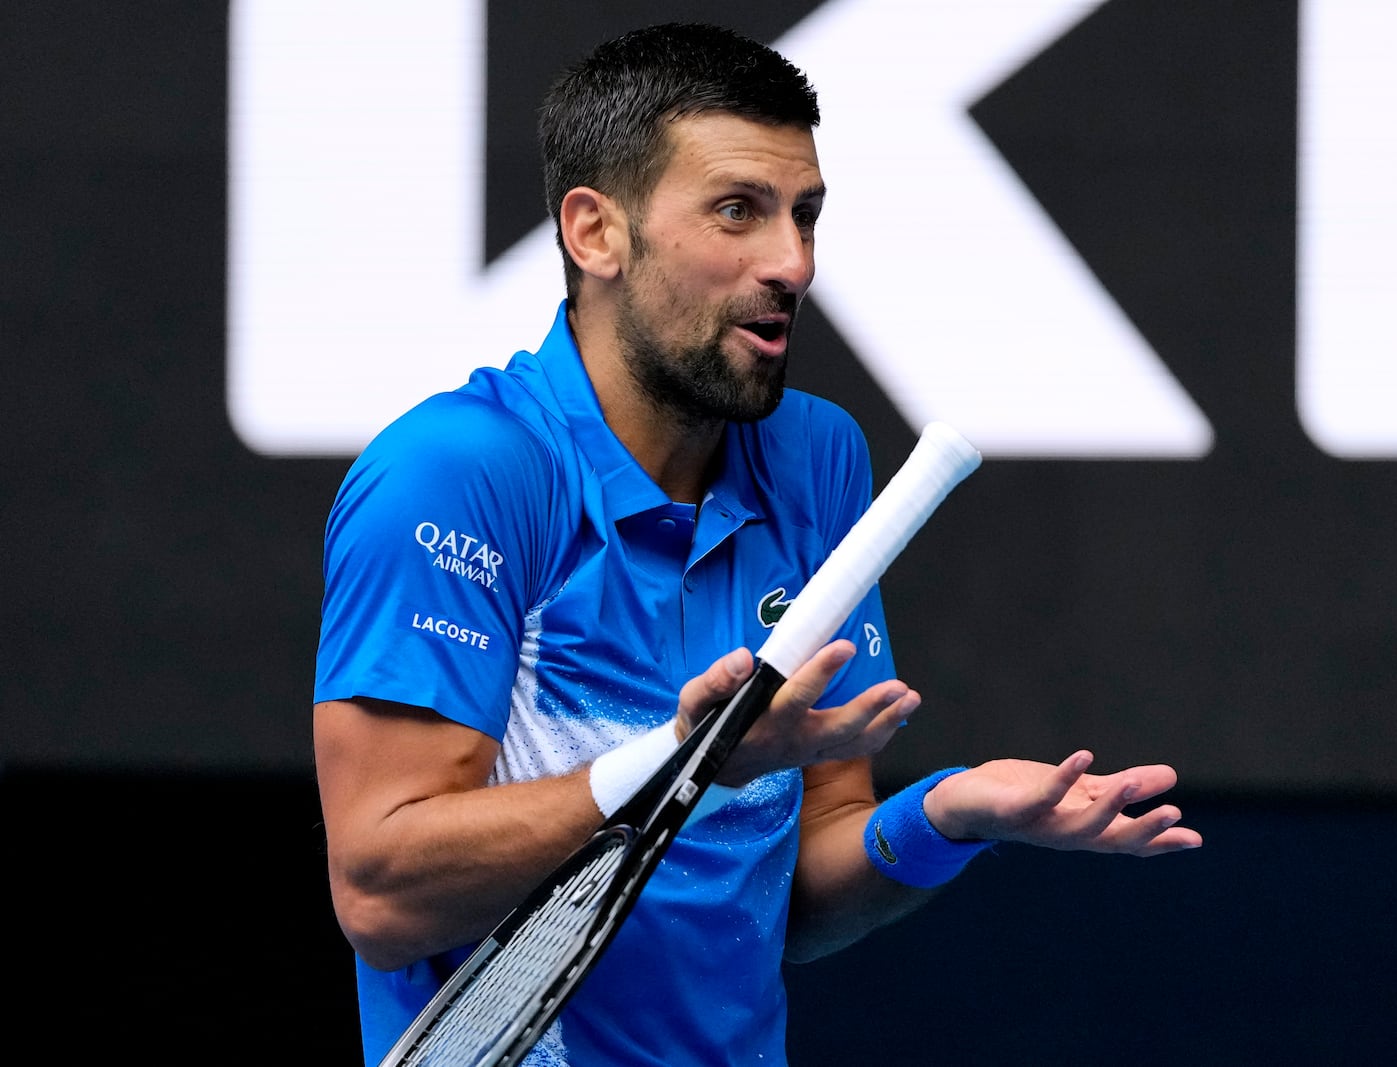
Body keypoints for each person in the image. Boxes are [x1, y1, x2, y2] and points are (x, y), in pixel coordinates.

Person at [313, 21, 1202, 1067]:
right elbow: (380, 891)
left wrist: (946, 816)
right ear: (595, 232)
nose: (792, 262)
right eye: (738, 210)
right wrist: (680, 759)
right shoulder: (461, 473)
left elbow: (790, 904)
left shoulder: (815, 457)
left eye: (805, 215)